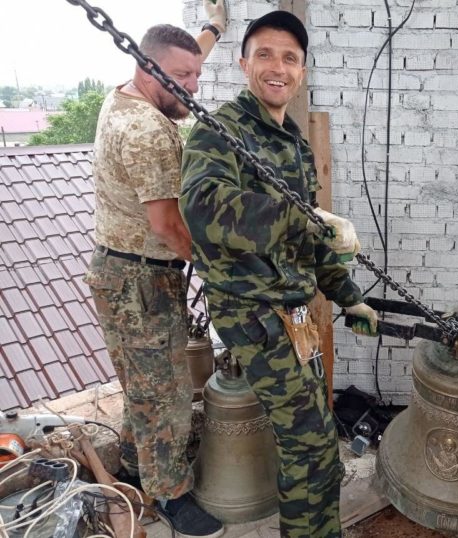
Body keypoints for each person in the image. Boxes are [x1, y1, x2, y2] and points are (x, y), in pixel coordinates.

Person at [179, 10, 379, 538]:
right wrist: (306, 216)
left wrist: (348, 295)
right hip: (251, 311)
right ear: (244, 63)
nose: (277, 67)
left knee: (317, 434)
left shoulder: (293, 142)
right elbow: (202, 206)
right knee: (308, 440)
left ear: (302, 70)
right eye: (265, 54)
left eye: (290, 58)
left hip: (295, 315)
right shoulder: (218, 130)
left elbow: (312, 240)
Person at [84, 2, 228, 537]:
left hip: (118, 271)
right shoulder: (149, 132)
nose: (193, 86)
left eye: (197, 74)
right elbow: (168, 225)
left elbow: (179, 58)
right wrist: (221, 269)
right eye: (183, 77)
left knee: (140, 381)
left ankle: (128, 457)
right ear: (150, 69)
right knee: (166, 393)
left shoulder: (129, 90)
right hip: (141, 279)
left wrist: (212, 29)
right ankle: (169, 495)